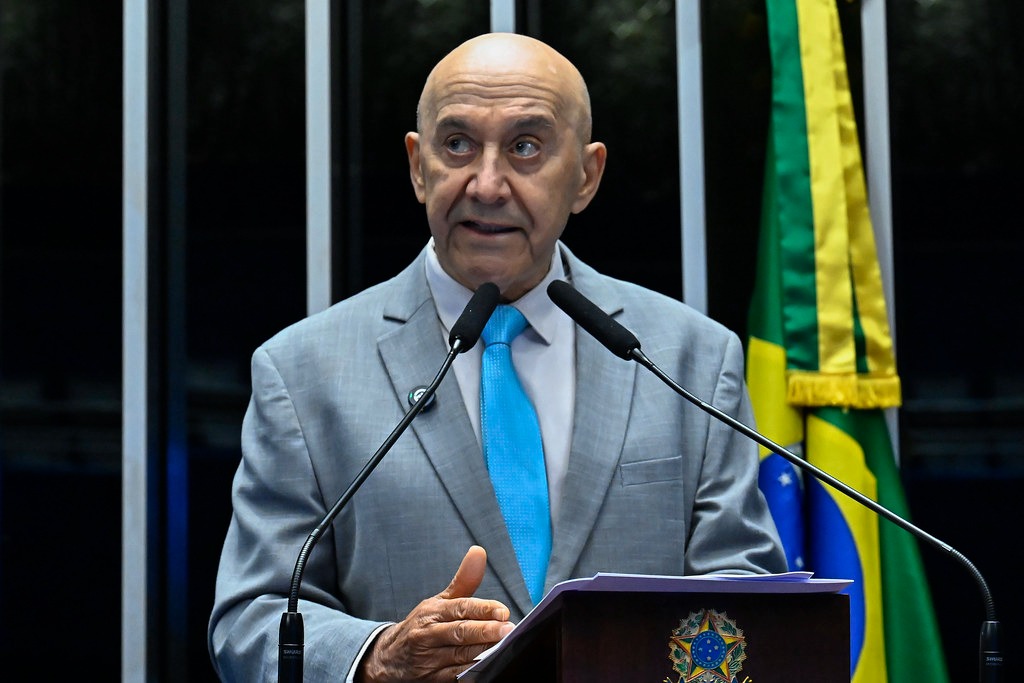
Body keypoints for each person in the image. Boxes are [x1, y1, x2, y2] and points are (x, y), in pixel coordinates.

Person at [208, 32, 785, 682]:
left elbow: (745, 599)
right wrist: (375, 657)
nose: (486, 184)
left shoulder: (689, 359)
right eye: (456, 145)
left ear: (587, 176)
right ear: (417, 165)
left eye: (526, 147)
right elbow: (251, 618)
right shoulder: (303, 372)